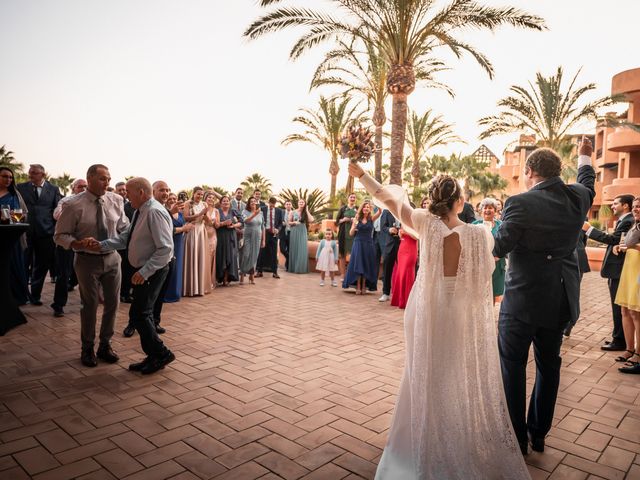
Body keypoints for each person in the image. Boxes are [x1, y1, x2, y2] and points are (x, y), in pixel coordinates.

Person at [349, 162, 530, 479]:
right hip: (457, 310)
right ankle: (449, 438)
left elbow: (385, 197)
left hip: (426, 309)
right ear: (460, 201)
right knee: (452, 372)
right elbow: (486, 274)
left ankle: (412, 446)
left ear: (433, 199)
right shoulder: (479, 235)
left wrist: (361, 174)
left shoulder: (423, 224)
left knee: (420, 370)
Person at [494, 139, 595, 455]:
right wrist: (585, 155)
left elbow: (499, 247)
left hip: (522, 302)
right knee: (549, 365)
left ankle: (516, 438)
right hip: (559, 300)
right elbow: (587, 181)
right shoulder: (578, 198)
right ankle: (538, 434)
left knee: (512, 366)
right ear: (556, 171)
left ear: (529, 171)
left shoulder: (520, 203)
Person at [94, 177, 176, 375]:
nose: (126, 197)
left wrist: (144, 271)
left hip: (152, 271)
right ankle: (155, 354)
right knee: (139, 314)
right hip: (145, 270)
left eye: (128, 193)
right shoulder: (142, 210)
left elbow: (165, 249)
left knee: (141, 314)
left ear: (140, 192)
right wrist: (101, 245)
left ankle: (161, 354)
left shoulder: (154, 212)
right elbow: (126, 238)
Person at [54, 164, 128, 367]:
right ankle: (87, 348)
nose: (108, 183)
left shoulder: (116, 200)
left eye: (109, 179)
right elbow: (60, 236)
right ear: (90, 178)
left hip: (113, 258)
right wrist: (77, 243)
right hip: (86, 261)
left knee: (113, 303)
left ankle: (105, 345)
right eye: (103, 178)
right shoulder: (73, 205)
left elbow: (124, 227)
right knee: (90, 305)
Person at [583, 194, 634, 351]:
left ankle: (619, 341)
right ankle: (618, 337)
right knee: (618, 308)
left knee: (619, 308)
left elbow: (614, 239)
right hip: (616, 271)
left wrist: (589, 229)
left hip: (619, 271)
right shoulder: (624, 221)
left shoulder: (627, 221)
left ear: (625, 206)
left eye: (615, 203)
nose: (612, 206)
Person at [16, 163, 62, 305]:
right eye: (30, 172)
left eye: (34, 173)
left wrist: (56, 231)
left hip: (46, 234)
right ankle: (22, 296)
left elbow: (58, 210)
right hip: (25, 233)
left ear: (42, 174)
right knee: (22, 264)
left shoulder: (53, 189)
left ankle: (35, 296)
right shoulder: (20, 187)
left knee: (41, 267)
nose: (30, 175)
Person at [51, 178, 88, 317]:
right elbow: (57, 215)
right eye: (80, 186)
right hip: (66, 241)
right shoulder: (66, 200)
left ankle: (85, 301)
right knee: (63, 274)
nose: (83, 189)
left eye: (85, 186)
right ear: (74, 188)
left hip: (84, 242)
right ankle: (58, 305)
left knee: (84, 273)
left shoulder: (91, 201)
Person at [612, 198, 640, 371]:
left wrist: (632, 247)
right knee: (625, 310)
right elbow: (628, 243)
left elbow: (634, 245)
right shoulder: (635, 224)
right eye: (636, 206)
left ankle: (639, 353)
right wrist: (619, 247)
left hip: (638, 271)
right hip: (629, 269)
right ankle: (629, 349)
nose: (637, 209)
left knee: (637, 313)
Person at [0, 166, 29, 305]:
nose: (8, 179)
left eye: (10, 177)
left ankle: (16, 297)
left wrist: (15, 216)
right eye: (5, 176)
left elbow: (23, 214)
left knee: (14, 265)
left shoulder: (14, 194)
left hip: (11, 236)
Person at [473, 197, 506, 305]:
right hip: (479, 265)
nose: (487, 210)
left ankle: (489, 315)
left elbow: (506, 242)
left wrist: (499, 255)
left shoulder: (501, 225)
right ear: (481, 210)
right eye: (485, 207)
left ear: (495, 210)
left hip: (497, 264)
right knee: (479, 292)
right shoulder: (474, 225)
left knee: (493, 292)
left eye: (491, 208)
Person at [343, 202, 378, 294]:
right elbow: (350, 233)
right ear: (362, 208)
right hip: (358, 243)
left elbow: (380, 212)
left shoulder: (371, 219)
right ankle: (358, 285)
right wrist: (354, 228)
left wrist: (375, 205)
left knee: (366, 264)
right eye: (364, 207)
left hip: (368, 244)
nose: (366, 208)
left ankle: (364, 286)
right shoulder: (356, 219)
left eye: (368, 207)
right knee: (359, 264)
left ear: (369, 209)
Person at [164, 193, 193, 302]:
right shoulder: (166, 213)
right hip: (171, 242)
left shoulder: (180, 214)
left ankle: (176, 292)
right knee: (171, 267)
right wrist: (183, 228)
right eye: (170, 198)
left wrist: (188, 227)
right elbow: (167, 230)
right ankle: (167, 294)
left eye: (174, 198)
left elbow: (184, 224)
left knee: (178, 267)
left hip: (180, 242)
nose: (172, 200)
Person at [182, 187, 209, 296]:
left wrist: (205, 216)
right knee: (191, 257)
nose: (200, 196)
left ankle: (199, 288)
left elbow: (207, 221)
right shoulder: (188, 203)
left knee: (200, 257)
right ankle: (190, 288)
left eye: (202, 195)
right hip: (192, 231)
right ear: (193, 194)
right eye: (198, 194)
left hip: (201, 231)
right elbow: (185, 218)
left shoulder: (205, 204)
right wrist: (199, 214)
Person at [115, 180, 135, 303]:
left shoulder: (131, 205)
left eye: (124, 190)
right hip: (120, 242)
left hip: (132, 242)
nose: (123, 192)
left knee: (129, 269)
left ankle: (126, 292)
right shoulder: (117, 205)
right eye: (120, 190)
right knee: (122, 269)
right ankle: (122, 293)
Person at [390, 226, 418, 309]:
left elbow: (417, 237)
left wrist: (406, 232)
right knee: (401, 274)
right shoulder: (403, 222)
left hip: (411, 249)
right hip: (402, 248)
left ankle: (407, 301)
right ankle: (399, 300)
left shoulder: (414, 221)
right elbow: (400, 236)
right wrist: (400, 233)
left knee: (408, 273)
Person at [216, 195, 241, 286]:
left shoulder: (233, 211)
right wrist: (224, 224)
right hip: (220, 236)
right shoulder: (217, 211)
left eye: (227, 201)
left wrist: (233, 226)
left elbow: (241, 221)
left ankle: (227, 277)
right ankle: (220, 277)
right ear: (220, 203)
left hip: (231, 236)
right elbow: (216, 224)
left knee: (230, 256)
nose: (226, 202)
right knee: (221, 255)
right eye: (224, 201)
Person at [239, 197, 265, 285]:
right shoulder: (244, 212)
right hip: (248, 236)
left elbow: (263, 227)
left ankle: (252, 276)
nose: (253, 203)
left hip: (258, 236)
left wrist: (263, 240)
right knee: (246, 255)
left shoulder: (261, 213)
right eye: (251, 202)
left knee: (254, 256)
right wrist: (254, 214)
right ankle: (242, 274)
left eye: (255, 201)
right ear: (249, 203)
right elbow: (245, 221)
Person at [257, 196, 283, 278]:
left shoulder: (279, 211)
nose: (272, 207)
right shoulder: (262, 209)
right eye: (271, 205)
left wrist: (278, 229)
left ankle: (275, 272)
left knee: (274, 254)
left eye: (274, 205)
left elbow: (280, 223)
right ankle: (259, 271)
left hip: (274, 235)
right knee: (262, 253)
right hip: (265, 233)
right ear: (268, 202)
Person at [378, 208, 400, 302]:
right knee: (387, 269)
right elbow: (383, 227)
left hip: (403, 244)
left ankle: (400, 294)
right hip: (389, 244)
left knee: (402, 270)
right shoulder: (386, 211)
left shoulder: (404, 209)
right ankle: (385, 293)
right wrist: (389, 229)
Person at [288, 199, 313, 273]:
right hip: (294, 231)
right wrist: (294, 222)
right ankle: (294, 268)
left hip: (302, 231)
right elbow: (289, 222)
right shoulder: (293, 212)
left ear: (305, 204)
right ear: (298, 203)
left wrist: (307, 210)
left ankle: (300, 268)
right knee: (295, 248)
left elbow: (311, 220)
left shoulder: (305, 212)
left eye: (303, 202)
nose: (301, 203)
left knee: (302, 249)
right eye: (300, 202)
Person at [336, 193, 358, 275]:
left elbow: (361, 220)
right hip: (343, 235)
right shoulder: (343, 209)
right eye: (351, 197)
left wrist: (354, 220)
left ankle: (351, 274)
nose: (352, 198)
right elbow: (337, 221)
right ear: (348, 199)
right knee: (342, 255)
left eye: (354, 197)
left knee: (354, 255)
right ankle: (343, 275)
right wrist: (344, 219)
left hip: (354, 236)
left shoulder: (358, 209)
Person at [203, 191, 218, 292]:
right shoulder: (201, 208)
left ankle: (209, 281)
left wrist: (215, 222)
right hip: (202, 234)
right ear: (205, 198)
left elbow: (217, 225)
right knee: (202, 257)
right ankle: (201, 281)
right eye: (209, 197)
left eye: (213, 198)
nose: (211, 199)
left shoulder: (216, 211)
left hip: (212, 235)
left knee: (211, 257)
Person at [279, 200, 293, 271]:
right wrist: (282, 223)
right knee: (282, 249)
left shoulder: (293, 213)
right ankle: (289, 258)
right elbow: (278, 220)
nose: (288, 205)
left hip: (291, 233)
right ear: (285, 206)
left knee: (290, 249)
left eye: (289, 204)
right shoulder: (281, 212)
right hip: (283, 233)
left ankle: (288, 266)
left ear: (291, 205)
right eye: (287, 204)